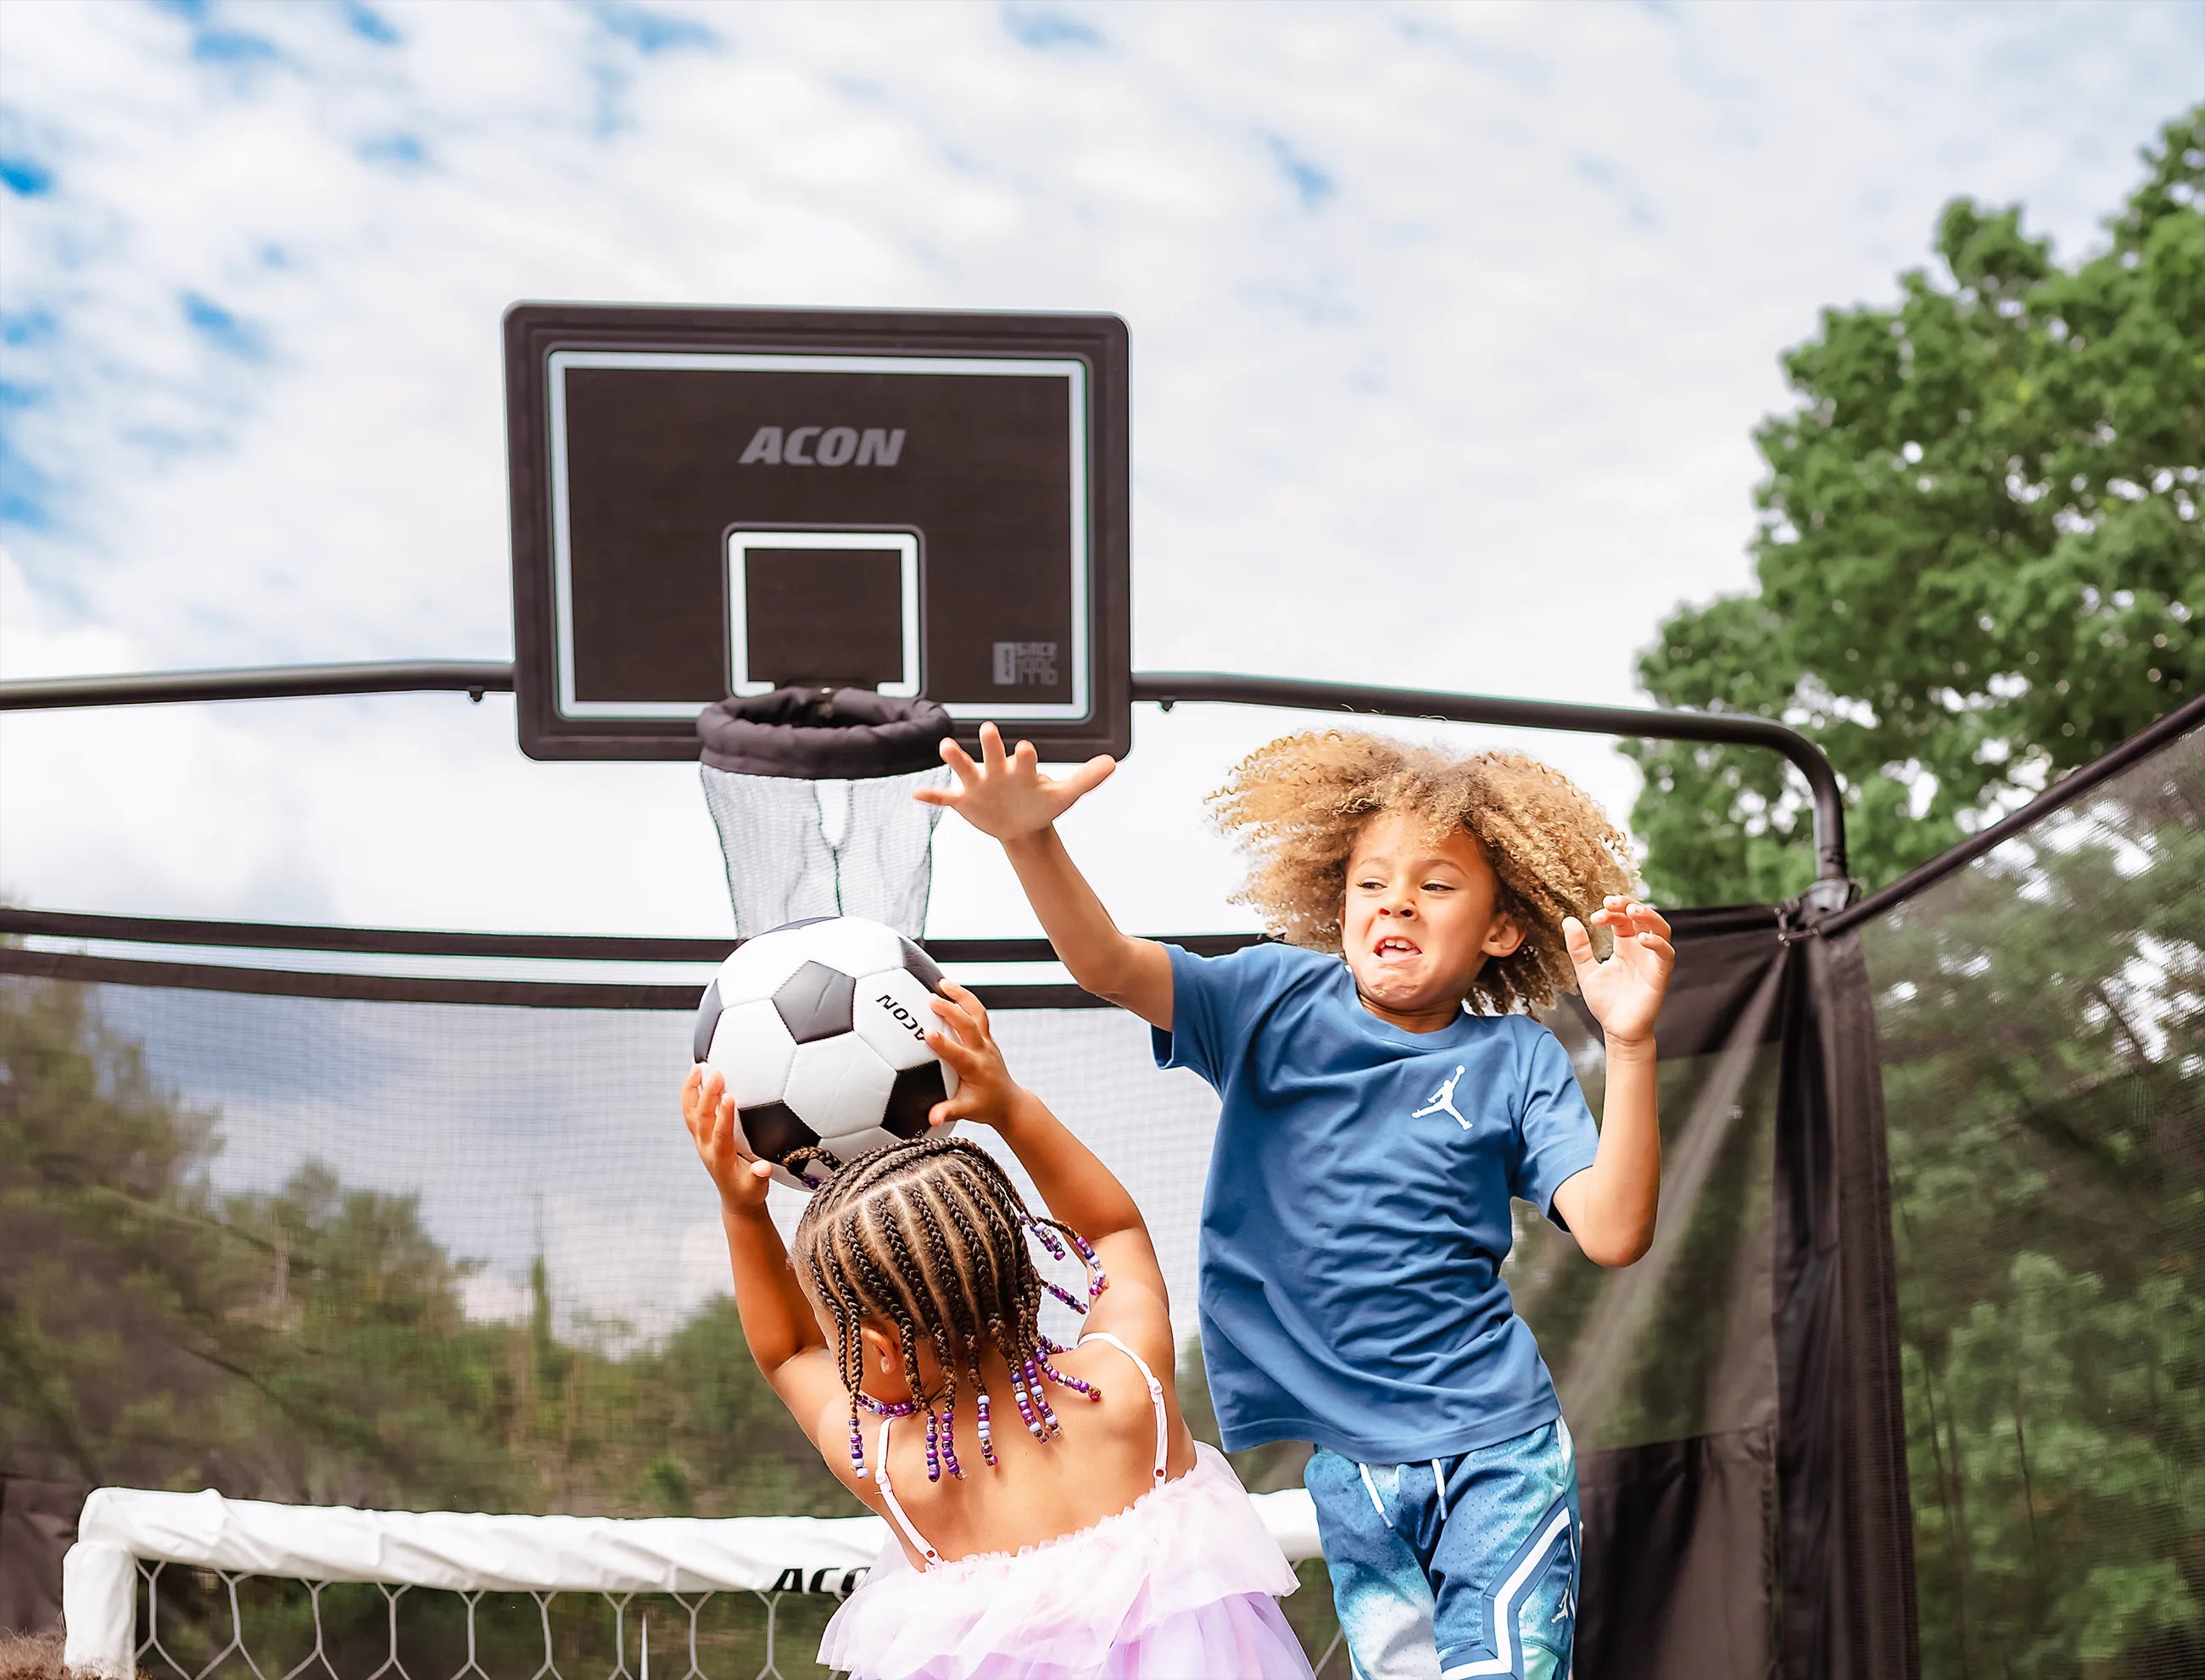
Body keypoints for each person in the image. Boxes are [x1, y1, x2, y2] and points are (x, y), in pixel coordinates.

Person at [917, 723, 1674, 1680]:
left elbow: (1611, 1231)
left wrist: (1632, 1043)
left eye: (1435, 885)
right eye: (1371, 883)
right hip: (1350, 1470)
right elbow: (1104, 962)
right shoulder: (1268, 1000)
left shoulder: (1515, 1060)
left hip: (1496, 1448)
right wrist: (1029, 837)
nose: (1396, 900)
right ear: (1338, 900)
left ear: (1499, 928)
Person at [680, 981, 1319, 1680]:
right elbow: (1112, 1230)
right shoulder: (1128, 1381)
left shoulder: (894, 1466)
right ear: (1020, 1269)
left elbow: (789, 1352)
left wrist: (742, 1210)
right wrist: (1008, 1103)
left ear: (879, 1350)